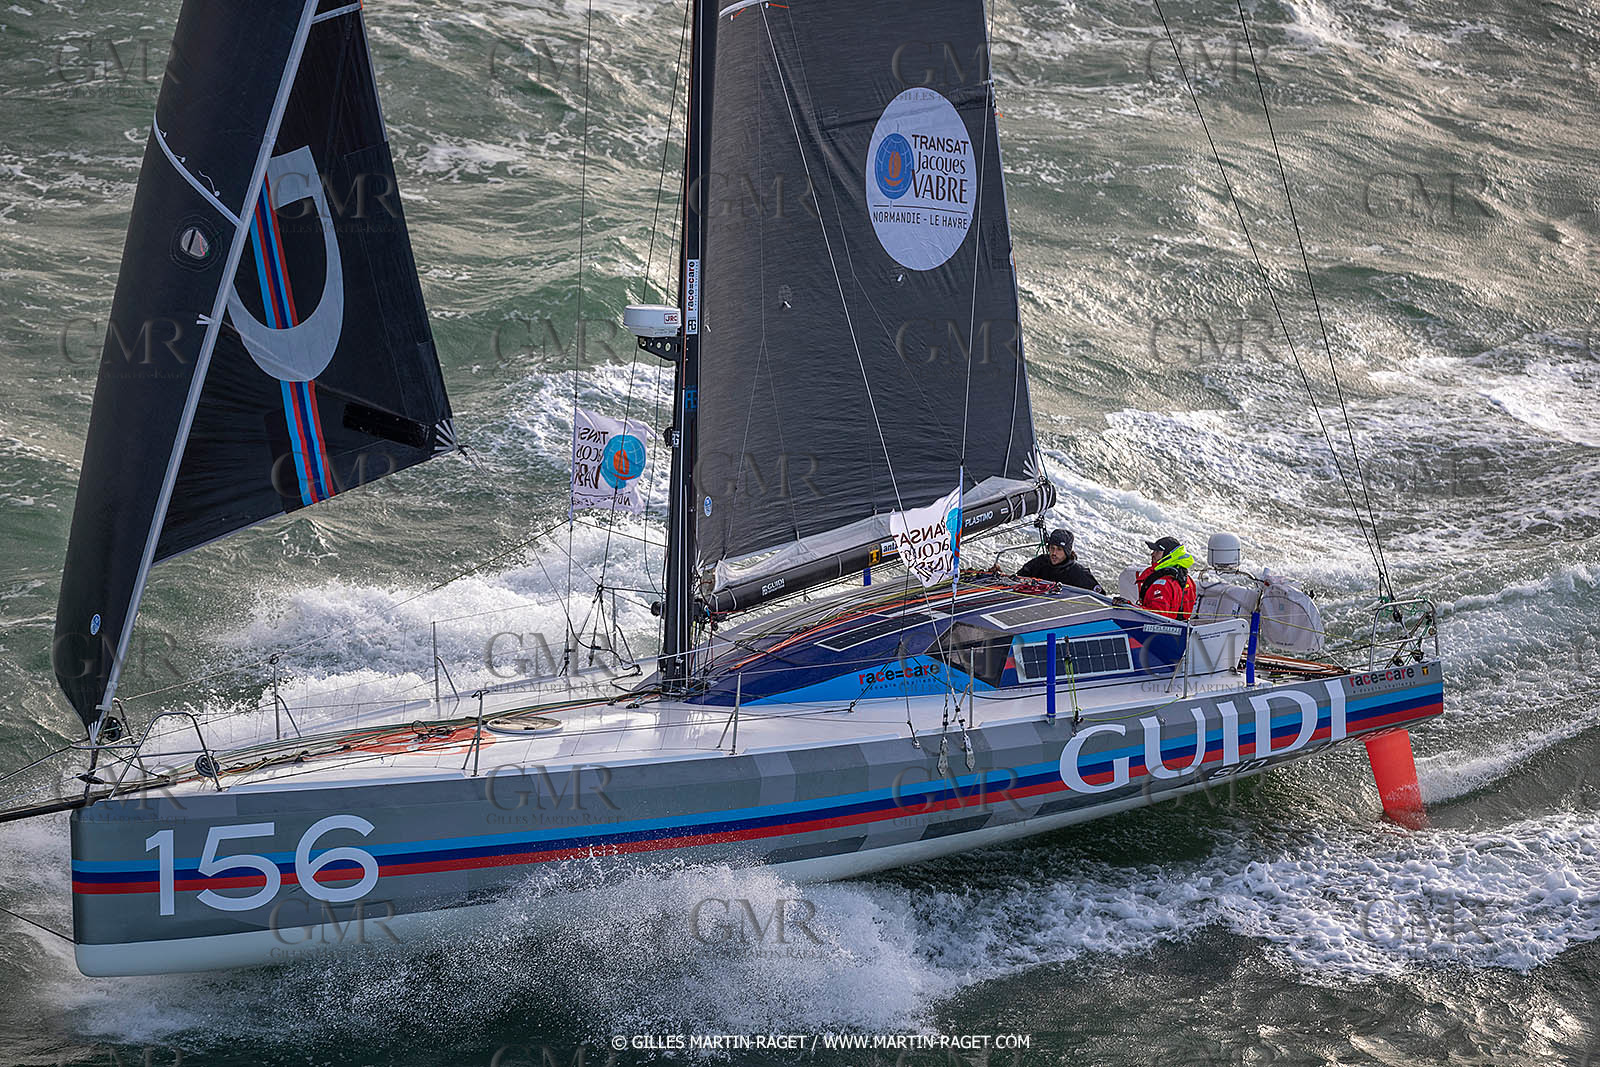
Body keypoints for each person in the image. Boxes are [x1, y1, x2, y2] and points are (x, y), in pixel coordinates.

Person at [1017, 528, 1101, 592]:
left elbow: (1100, 596)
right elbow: (1017, 578)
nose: (1054, 553)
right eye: (1052, 548)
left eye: (1059, 549)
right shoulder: (1040, 562)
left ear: (1067, 552)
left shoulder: (1079, 573)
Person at [1137, 536, 1198, 620]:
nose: (1152, 554)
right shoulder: (1188, 579)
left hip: (1159, 627)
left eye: (1157, 551)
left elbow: (1156, 617)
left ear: (1168, 555)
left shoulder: (1162, 584)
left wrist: (1130, 607)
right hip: (1180, 625)